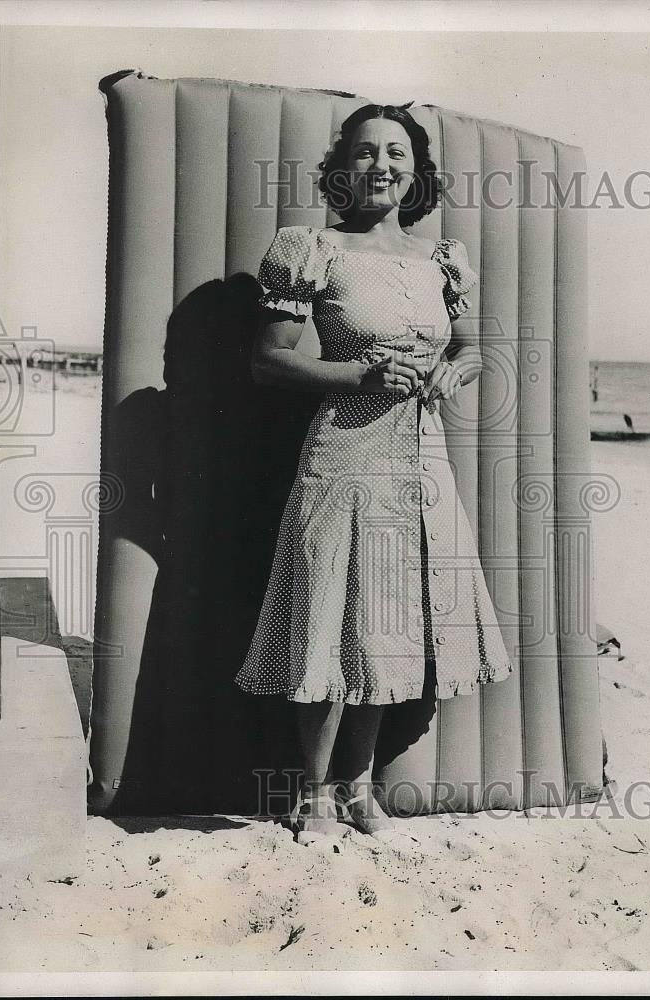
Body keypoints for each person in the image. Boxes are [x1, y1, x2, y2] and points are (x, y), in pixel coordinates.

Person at [234, 101, 514, 846]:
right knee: (332, 620)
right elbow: (268, 360)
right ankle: (312, 797)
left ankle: (358, 790)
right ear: (338, 171)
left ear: (415, 170)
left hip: (421, 461)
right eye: (363, 154)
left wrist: (459, 370)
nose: (380, 166)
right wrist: (359, 375)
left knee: (391, 622)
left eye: (395, 153)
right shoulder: (309, 249)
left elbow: (473, 346)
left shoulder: (441, 259)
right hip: (343, 457)